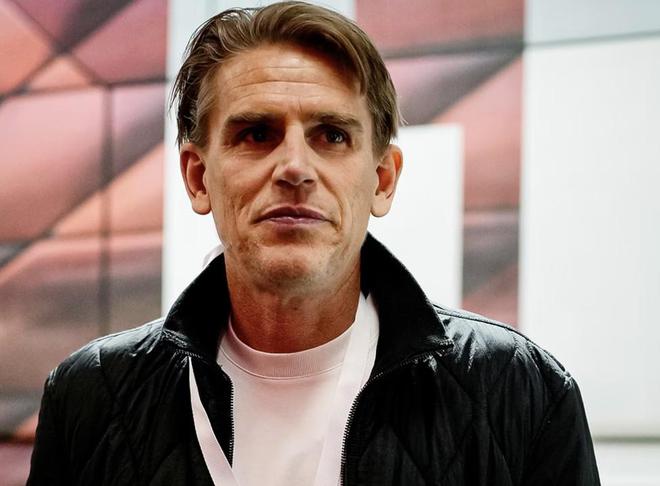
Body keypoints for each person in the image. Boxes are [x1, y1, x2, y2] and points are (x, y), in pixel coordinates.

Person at [28, 2, 600, 485]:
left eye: (332, 135)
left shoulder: (519, 392)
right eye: (257, 133)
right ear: (198, 178)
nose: (295, 168)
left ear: (382, 179)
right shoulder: (91, 397)